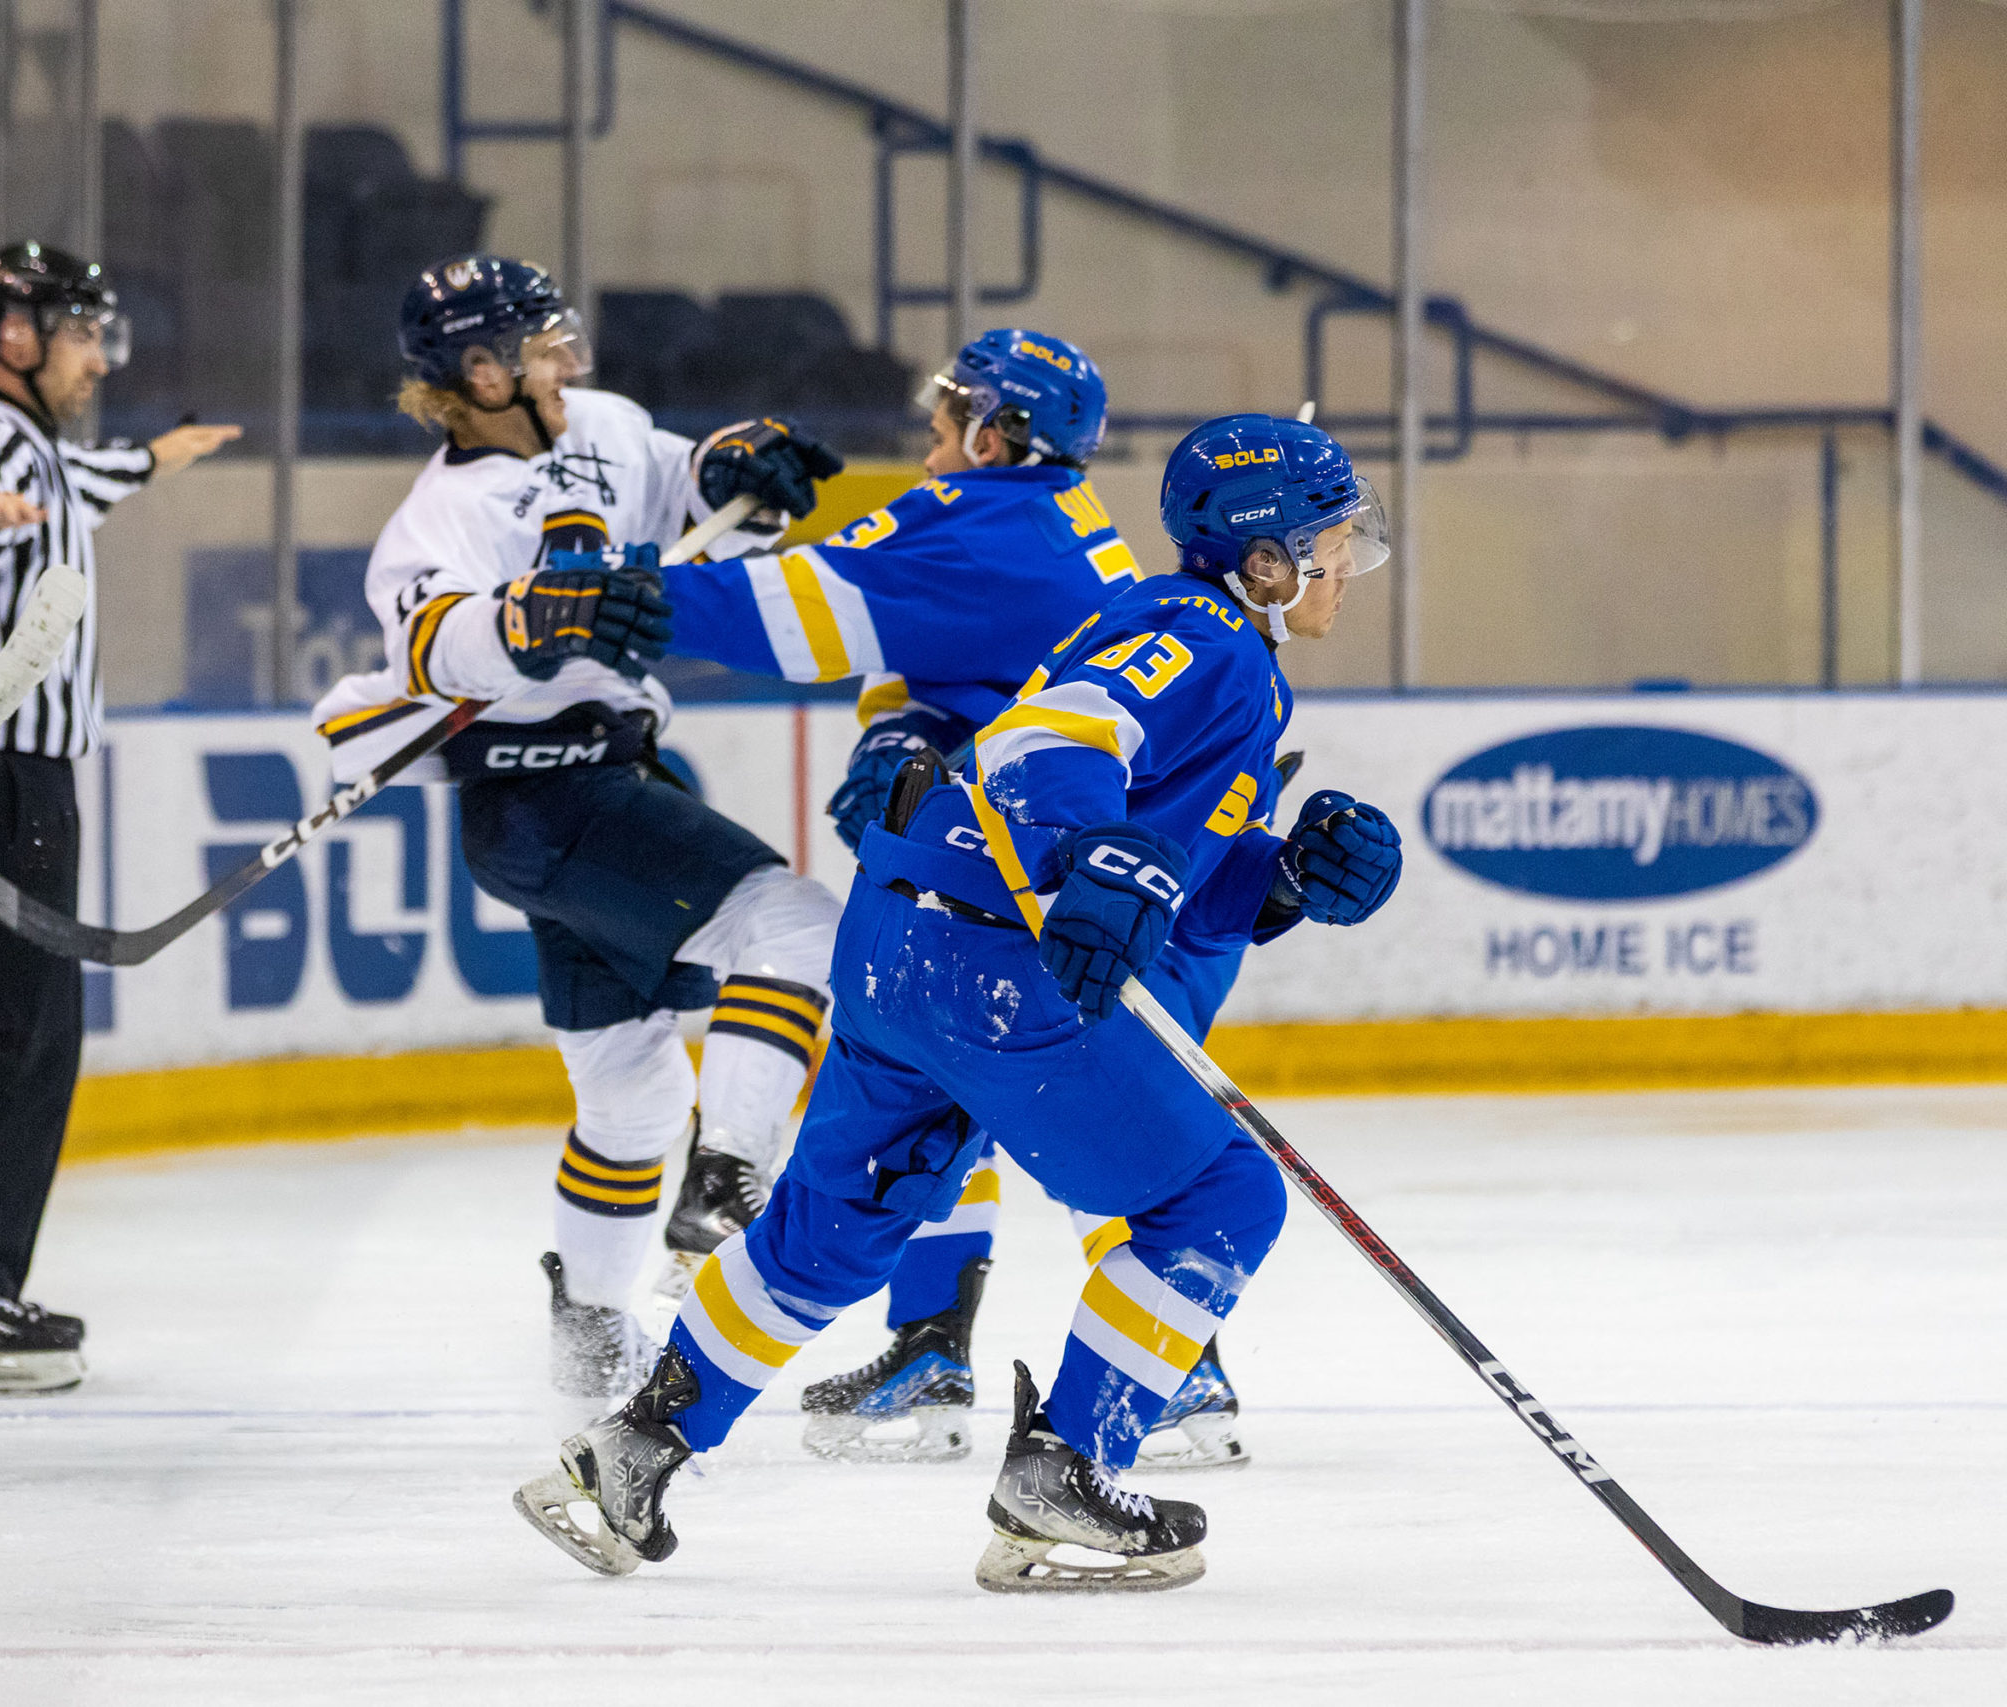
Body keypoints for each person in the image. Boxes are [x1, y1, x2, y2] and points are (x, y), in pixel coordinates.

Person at [516, 412, 1407, 1592]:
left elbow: (1171, 883)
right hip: (989, 964)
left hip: (901, 953)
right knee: (1220, 1194)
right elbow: (1052, 744)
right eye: (1327, 539)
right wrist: (1089, 855)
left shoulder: (1191, 638)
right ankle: (1066, 1473)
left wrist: (1283, 878)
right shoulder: (1207, 637)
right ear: (1261, 558)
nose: (1346, 560)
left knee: (826, 1235)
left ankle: (628, 1450)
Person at [645, 328, 1272, 1468]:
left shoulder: (986, 527)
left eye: (952, 412)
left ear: (998, 431)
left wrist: (606, 600)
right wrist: (903, 739)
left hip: (1078, 891)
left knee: (1120, 1138)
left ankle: (1165, 1375)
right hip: (1060, 883)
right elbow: (952, 673)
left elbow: (792, 615)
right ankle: (942, 1349)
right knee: (986, 1100)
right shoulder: (1049, 530)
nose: (932, 431)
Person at [308, 254, 847, 1399]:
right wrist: (525, 624)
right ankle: (727, 1178)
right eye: (541, 345)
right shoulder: (434, 519)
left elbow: (677, 487)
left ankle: (590, 1332)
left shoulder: (597, 422)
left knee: (629, 1092)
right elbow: (432, 644)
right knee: (798, 927)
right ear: (481, 370)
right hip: (543, 804)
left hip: (608, 782)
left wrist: (732, 468)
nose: (567, 359)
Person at [0, 242, 239, 1395]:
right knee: (5, 1039)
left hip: (23, 785)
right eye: (82, 332)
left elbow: (72, 490)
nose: (99, 356)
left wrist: (155, 458)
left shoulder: (36, 444)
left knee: (38, 1042)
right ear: (14, 336)